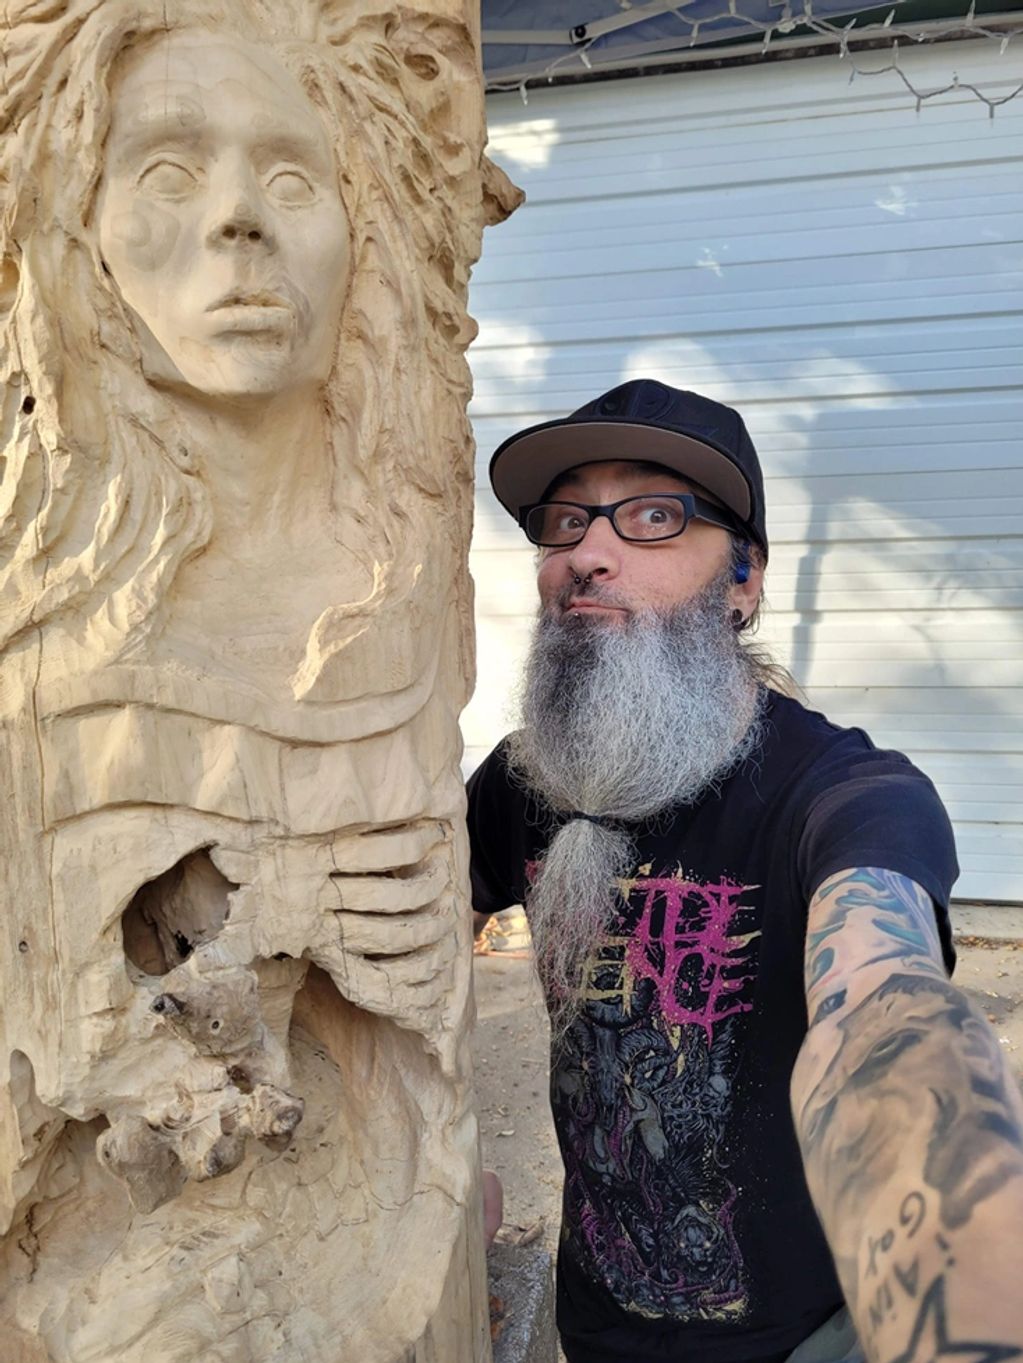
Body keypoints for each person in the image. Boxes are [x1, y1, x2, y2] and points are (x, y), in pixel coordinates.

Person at [467, 378, 1023, 1363]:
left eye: (653, 515)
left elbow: (884, 1012)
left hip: (804, 1342)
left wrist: (967, 1293)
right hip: (591, 1330)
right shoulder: (524, 781)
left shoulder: (841, 792)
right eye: (564, 520)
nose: (587, 555)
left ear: (744, 580)